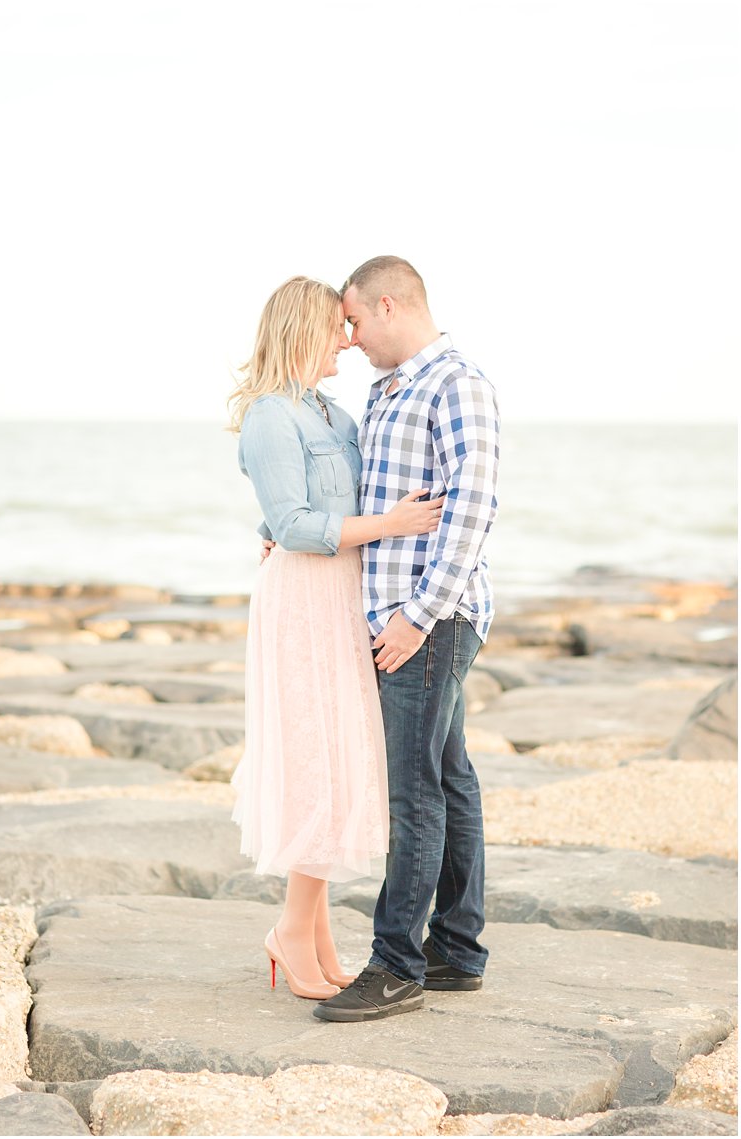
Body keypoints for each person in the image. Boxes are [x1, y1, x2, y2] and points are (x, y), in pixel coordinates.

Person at [228, 276, 442, 1001]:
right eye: (335, 328)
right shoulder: (268, 416)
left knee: (340, 760)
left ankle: (308, 934)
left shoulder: (333, 415)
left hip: (339, 596)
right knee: (316, 760)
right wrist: (389, 527)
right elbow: (294, 523)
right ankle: (294, 931)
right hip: (305, 601)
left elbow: (311, 507)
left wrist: (277, 531)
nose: (347, 341)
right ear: (302, 331)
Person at [312, 255, 500, 1023]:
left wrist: (416, 617)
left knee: (412, 789)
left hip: (428, 618)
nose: (349, 338)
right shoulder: (388, 388)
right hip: (400, 617)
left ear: (389, 306)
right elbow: (367, 496)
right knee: (448, 775)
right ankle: (455, 948)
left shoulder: (456, 383)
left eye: (353, 320)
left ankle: (395, 965)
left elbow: (472, 508)